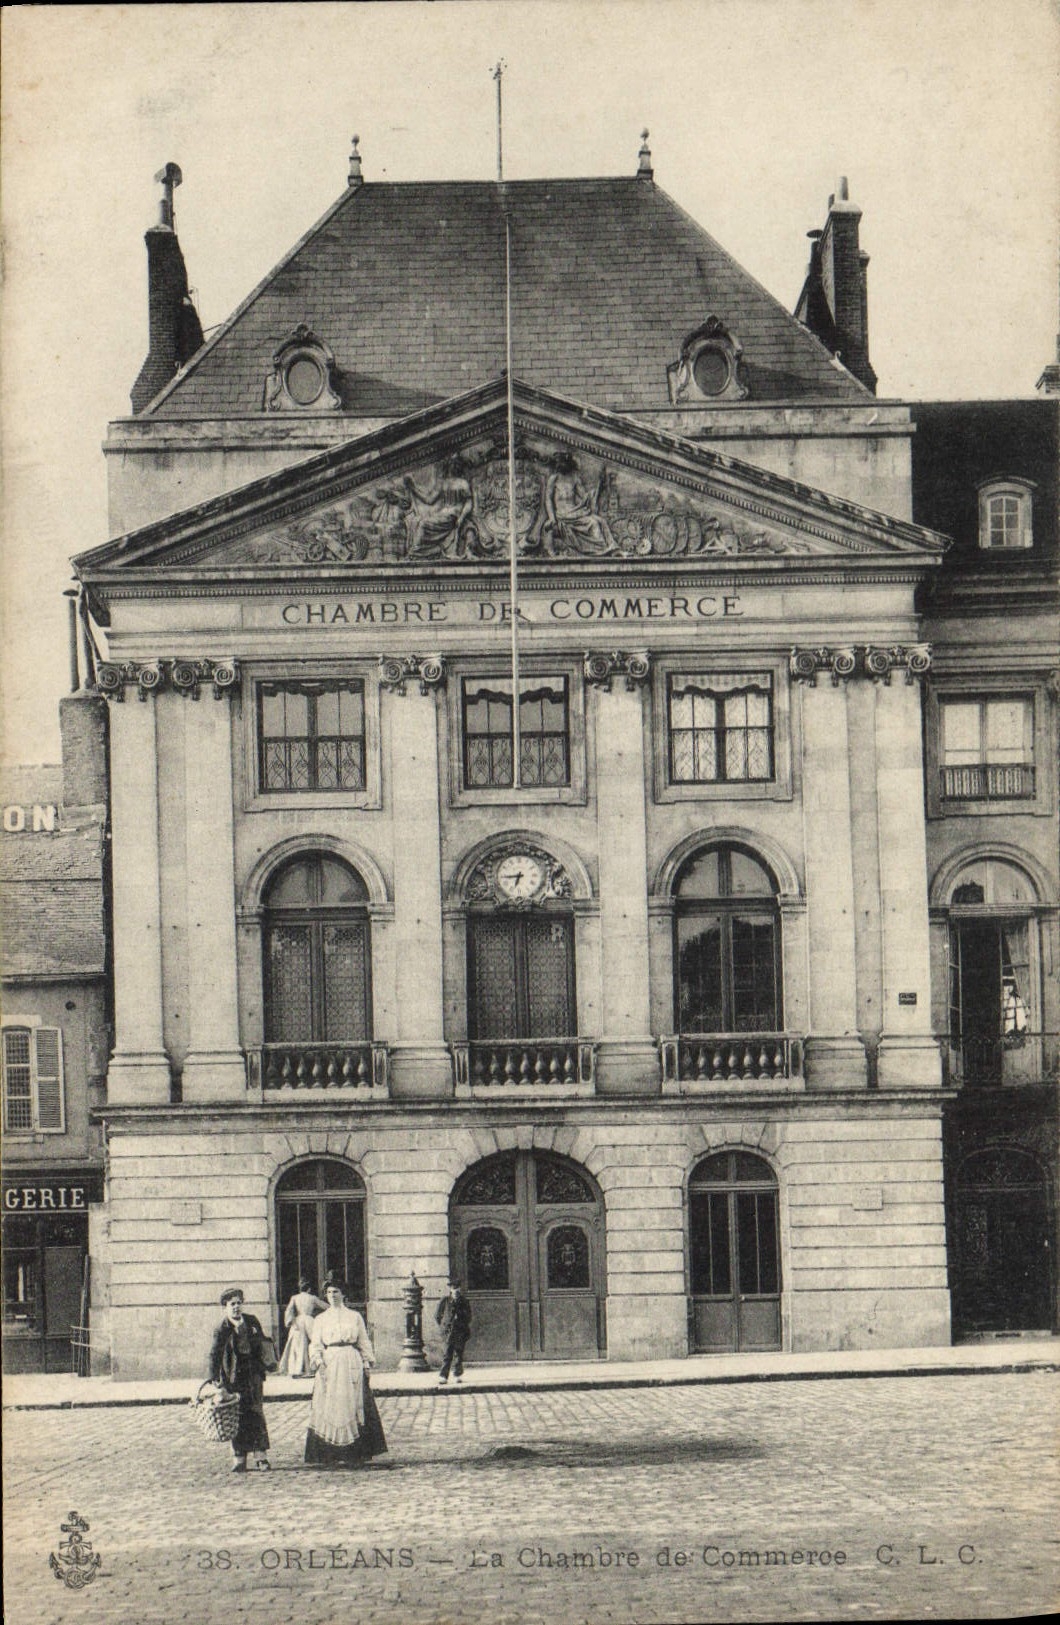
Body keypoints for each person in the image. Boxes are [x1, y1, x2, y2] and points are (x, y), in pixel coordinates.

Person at [304, 1279, 388, 1468]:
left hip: (351, 1360)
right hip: (330, 1362)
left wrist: (366, 1364)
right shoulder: (321, 1319)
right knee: (330, 1404)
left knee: (352, 1404)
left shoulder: (354, 1317)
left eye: (336, 1292)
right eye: (329, 1292)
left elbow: (363, 1341)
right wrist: (318, 1362)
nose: (332, 1296)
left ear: (343, 1294)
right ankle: (330, 1452)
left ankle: (354, 1452)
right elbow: (315, 1344)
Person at [207, 1287, 275, 1472]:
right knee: (237, 1416)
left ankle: (261, 1457)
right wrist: (213, 1378)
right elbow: (214, 1354)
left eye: (238, 1303)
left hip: (253, 1375)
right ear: (225, 1308)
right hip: (234, 1378)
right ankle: (239, 1458)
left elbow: (262, 1343)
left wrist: (267, 1363)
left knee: (256, 1412)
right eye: (232, 1304)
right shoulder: (222, 1329)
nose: (236, 1307)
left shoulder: (252, 1322)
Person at [277, 1277, 326, 1377]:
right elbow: (324, 1306)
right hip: (309, 1320)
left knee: (298, 1345)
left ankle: (297, 1370)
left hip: (298, 1321)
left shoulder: (295, 1297)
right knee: (315, 1342)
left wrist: (290, 1321)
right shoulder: (312, 1298)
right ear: (309, 1289)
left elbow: (288, 1310)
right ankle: (313, 1368)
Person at [435, 1279, 472, 1385]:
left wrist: (461, 1322)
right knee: (447, 1354)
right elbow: (437, 1316)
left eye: (457, 1288)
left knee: (459, 1354)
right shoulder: (445, 1301)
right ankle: (443, 1376)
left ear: (460, 1289)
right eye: (453, 1288)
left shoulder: (464, 1301)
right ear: (450, 1290)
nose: (455, 1290)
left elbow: (469, 1316)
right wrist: (444, 1327)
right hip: (448, 1332)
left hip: (460, 1331)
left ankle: (457, 1375)